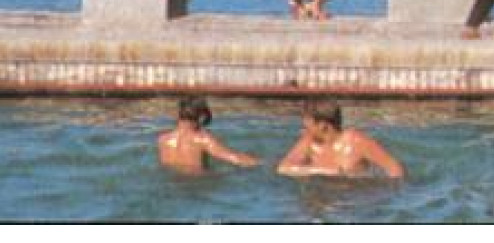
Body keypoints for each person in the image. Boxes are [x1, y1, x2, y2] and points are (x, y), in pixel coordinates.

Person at [276, 101, 404, 179]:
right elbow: (283, 168)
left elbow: (396, 170)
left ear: (323, 125)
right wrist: (326, 171)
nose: (303, 127)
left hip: (354, 200)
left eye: (307, 123)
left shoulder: (357, 141)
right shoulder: (308, 142)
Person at [158, 97, 259, 173]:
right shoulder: (202, 139)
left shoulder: (162, 139)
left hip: (173, 185)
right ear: (202, 117)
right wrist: (262, 163)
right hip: (196, 184)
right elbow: (234, 158)